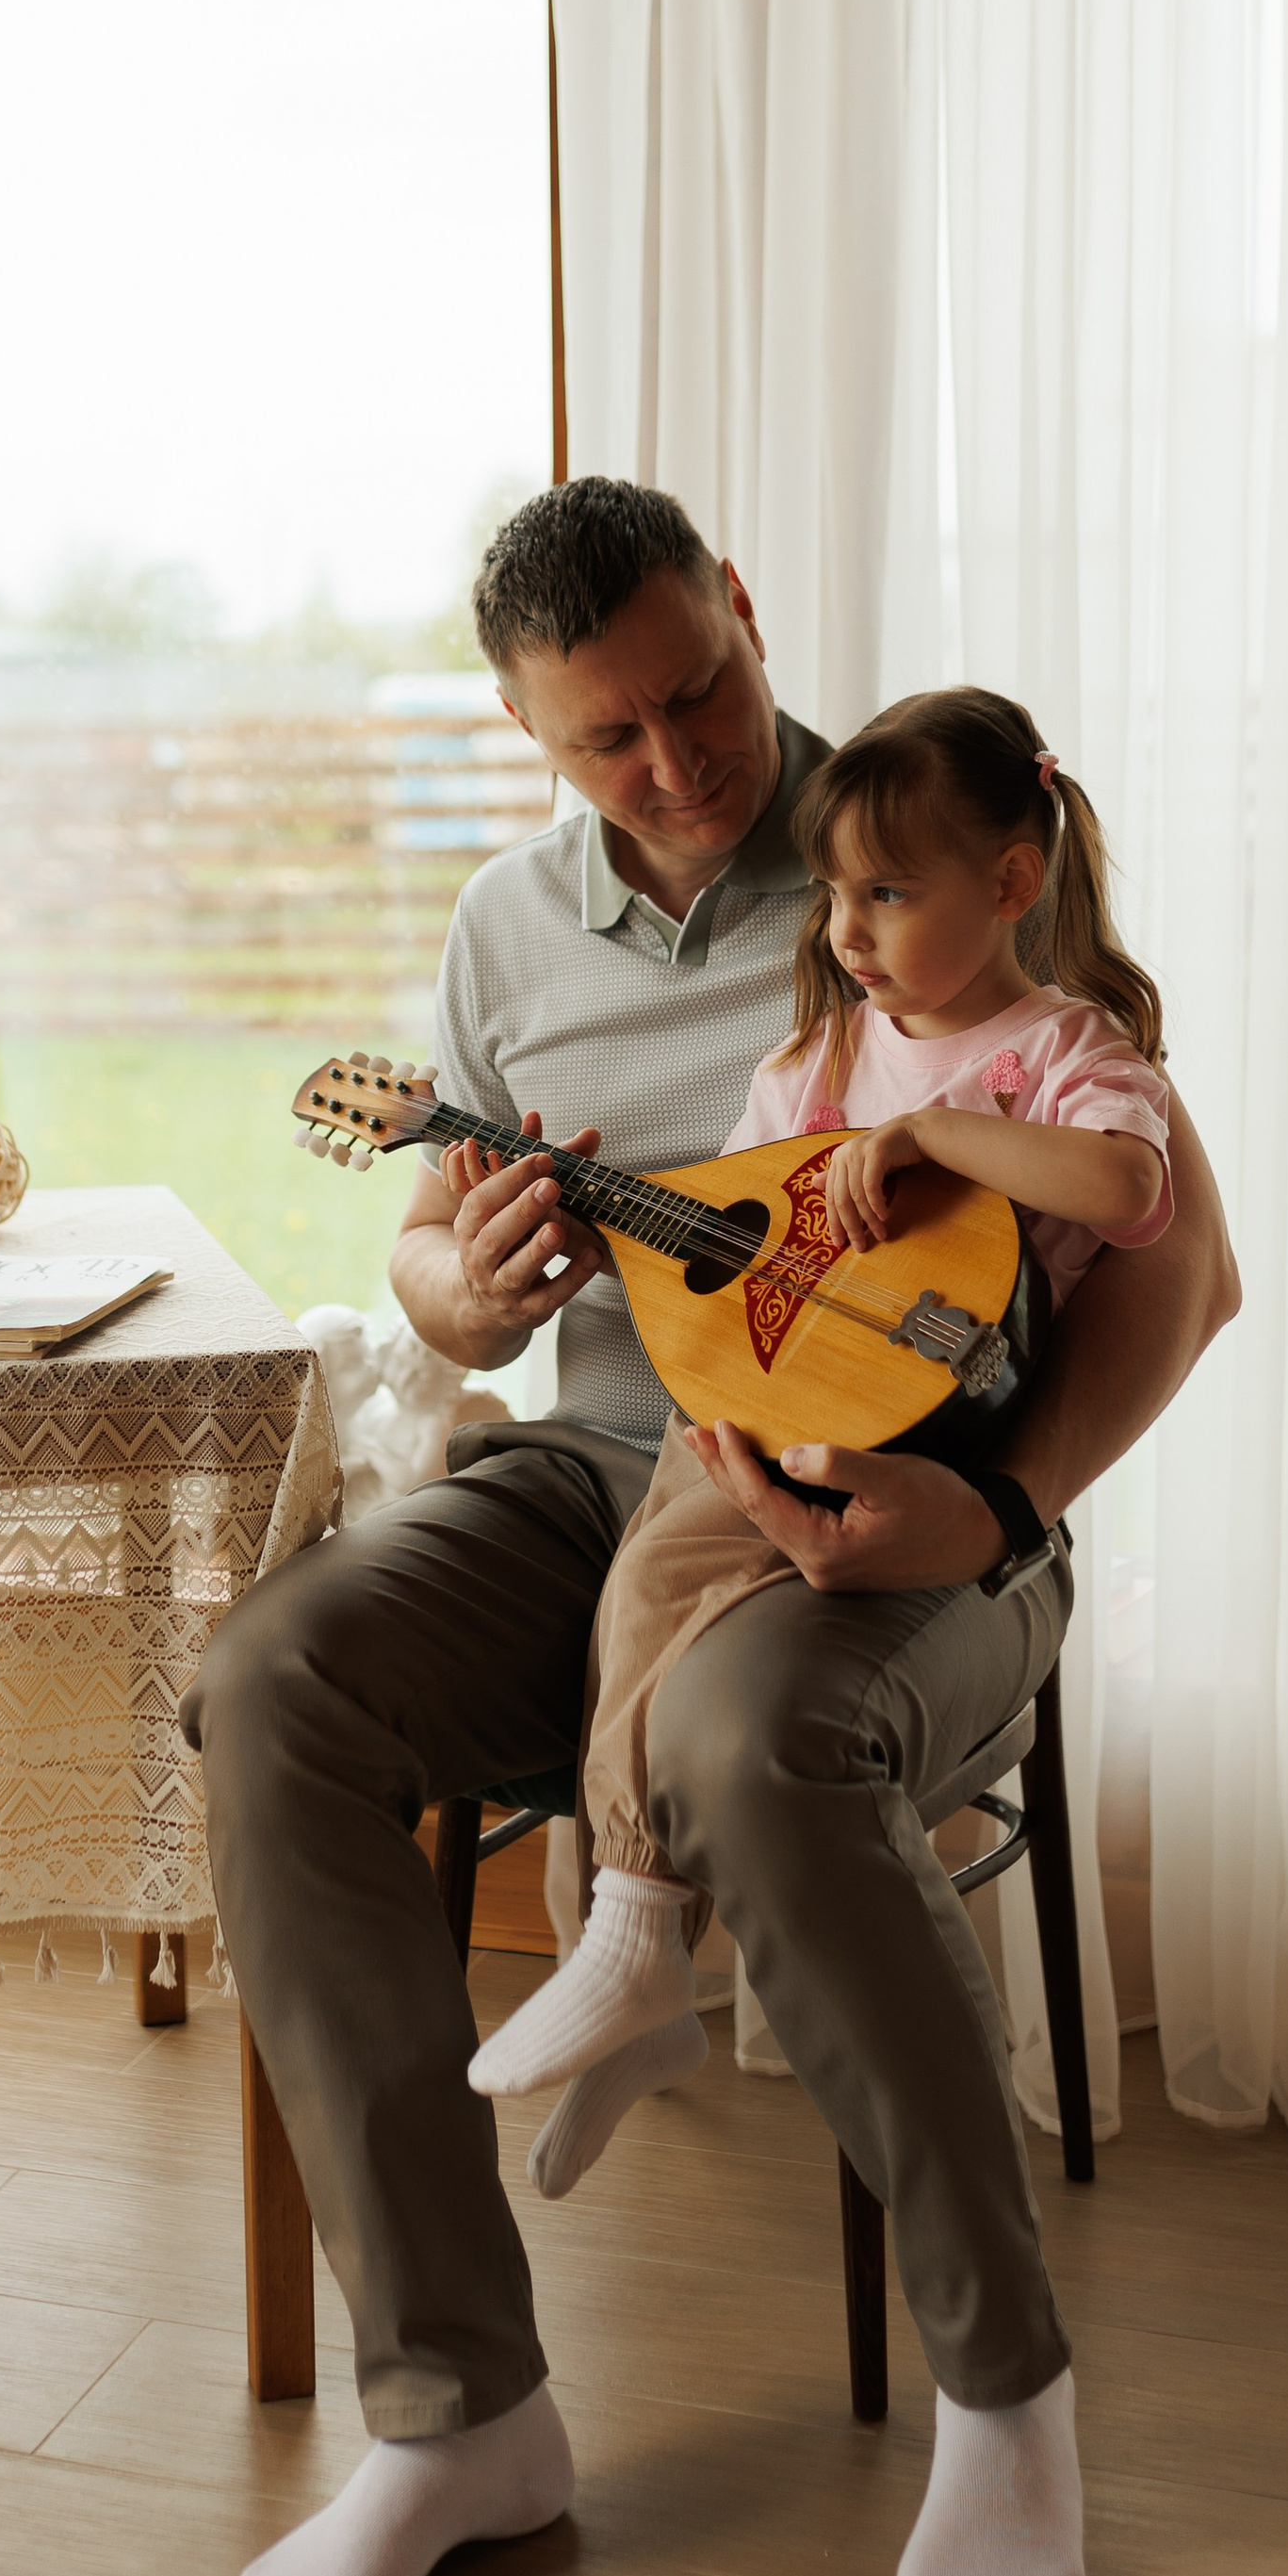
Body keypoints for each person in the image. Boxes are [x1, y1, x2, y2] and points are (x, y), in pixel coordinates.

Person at [180, 479, 1239, 2576]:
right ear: (524, 734)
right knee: (278, 1683)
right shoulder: (501, 929)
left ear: (745, 617)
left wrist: (1004, 1508)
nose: (671, 766)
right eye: (604, 741)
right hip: (610, 1463)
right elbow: (440, 1240)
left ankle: (1005, 2400)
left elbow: (1177, 1259)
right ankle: (459, 2416)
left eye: (700, 695)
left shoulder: (916, 844)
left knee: (754, 1740)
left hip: (926, 1494)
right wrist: (448, 1286)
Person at [468, 685, 1173, 2114]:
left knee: (712, 1629)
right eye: (840, 893)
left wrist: (933, 1132)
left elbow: (1129, 1191)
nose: (845, 930)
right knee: (654, 1582)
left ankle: (658, 1957)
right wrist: (616, 1229)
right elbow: (746, 1230)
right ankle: (640, 1928)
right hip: (785, 1418)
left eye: (889, 893)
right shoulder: (817, 1061)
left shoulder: (1066, 1055)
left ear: (1011, 883)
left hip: (945, 1445)